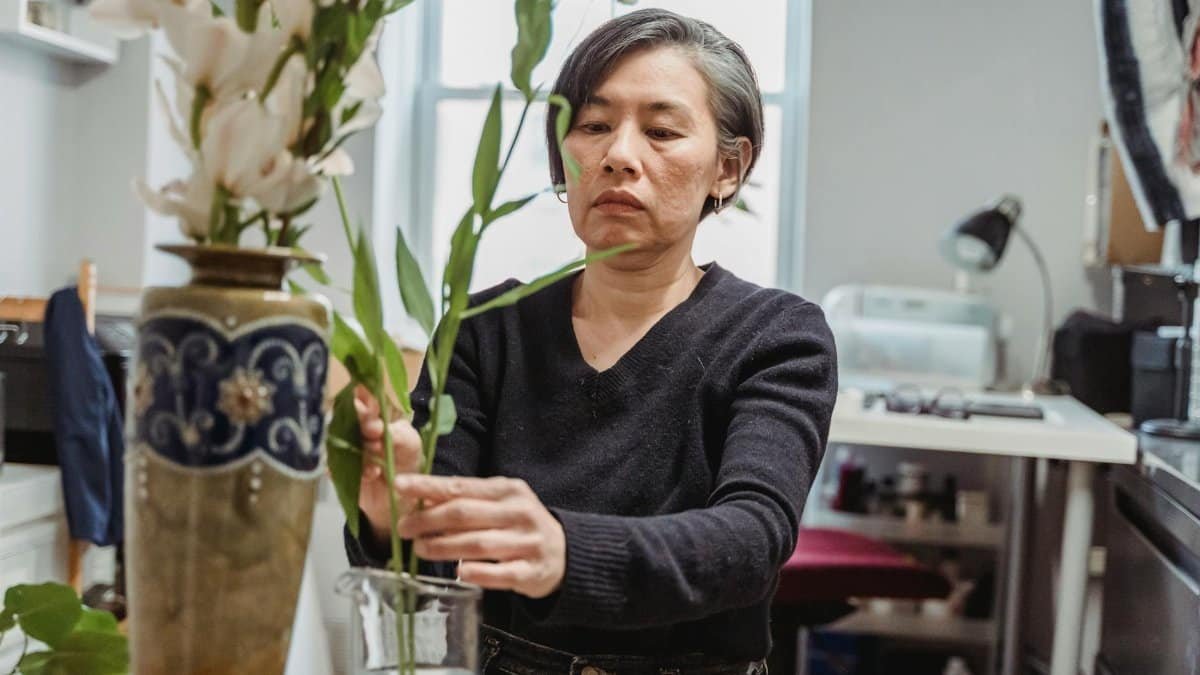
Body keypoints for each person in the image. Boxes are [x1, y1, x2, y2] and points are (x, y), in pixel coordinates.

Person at [345, 8, 837, 673]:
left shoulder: (776, 337)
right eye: (594, 125)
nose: (618, 156)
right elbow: (435, 574)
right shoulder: (485, 329)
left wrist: (567, 552)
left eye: (661, 131)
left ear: (728, 167)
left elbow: (752, 539)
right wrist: (388, 518)